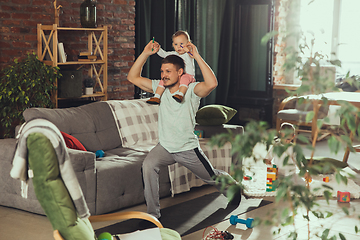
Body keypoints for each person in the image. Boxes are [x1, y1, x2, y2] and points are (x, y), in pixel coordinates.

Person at [127, 39, 240, 220]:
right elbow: (132, 78)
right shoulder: (159, 87)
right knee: (148, 165)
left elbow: (211, 84)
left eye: (168, 71)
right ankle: (153, 215)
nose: (164, 75)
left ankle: (232, 187)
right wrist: (146, 53)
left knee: (211, 177)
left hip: (187, 148)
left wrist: (197, 56)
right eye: (162, 71)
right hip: (164, 147)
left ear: (180, 72)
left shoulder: (192, 89)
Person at [146, 30, 195, 104]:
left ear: (188, 44)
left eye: (181, 44)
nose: (179, 46)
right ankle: (156, 97)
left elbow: (193, 54)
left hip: (188, 76)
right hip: (178, 75)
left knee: (184, 79)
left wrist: (188, 50)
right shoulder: (174, 54)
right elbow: (164, 54)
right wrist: (158, 49)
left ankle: (180, 95)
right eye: (176, 44)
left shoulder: (188, 54)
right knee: (163, 80)